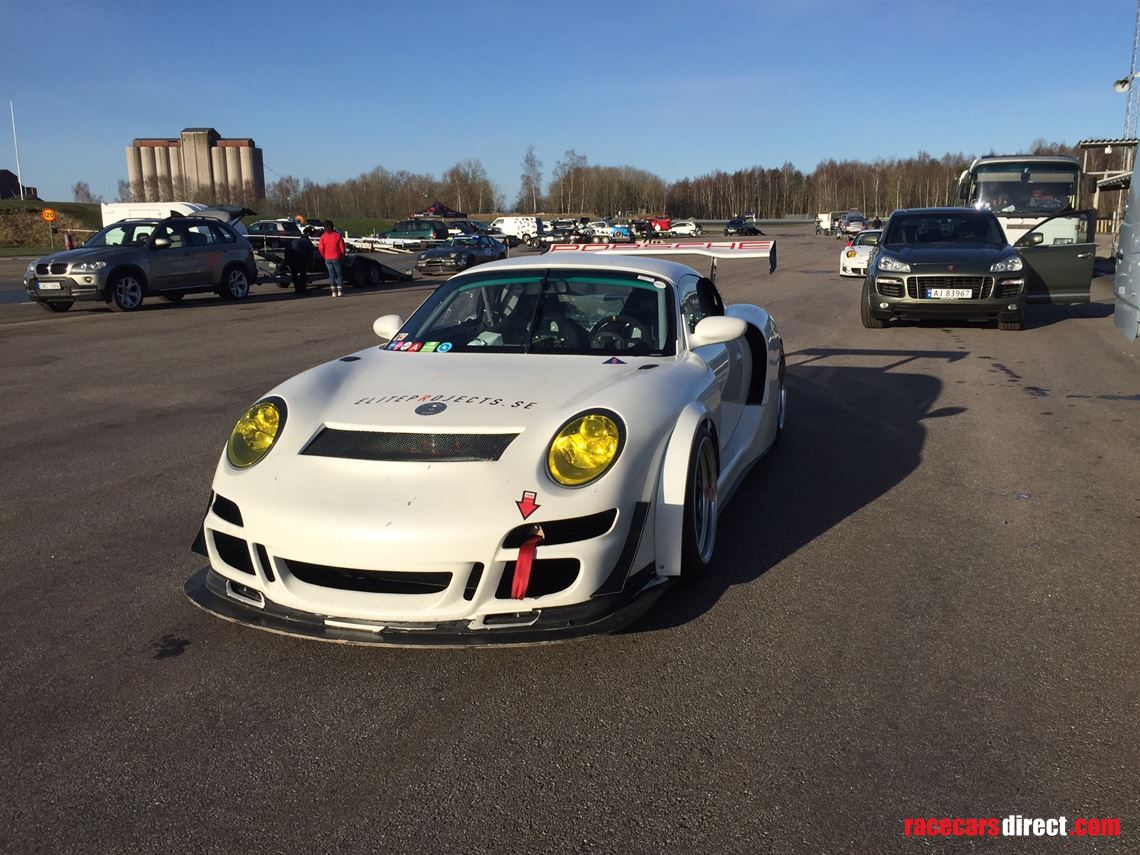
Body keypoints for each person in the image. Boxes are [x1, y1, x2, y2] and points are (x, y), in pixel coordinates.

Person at [318, 219, 346, 297]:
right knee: (339, 274)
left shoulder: (323, 236)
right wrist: (342, 256)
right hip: (336, 257)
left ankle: (333, 291)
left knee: (331, 274)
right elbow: (342, 248)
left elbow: (320, 248)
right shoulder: (337, 235)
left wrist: (324, 255)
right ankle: (340, 290)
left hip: (327, 258)